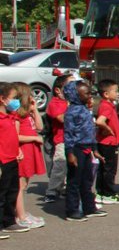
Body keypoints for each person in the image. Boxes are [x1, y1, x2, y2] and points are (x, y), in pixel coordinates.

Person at [63, 80, 106, 223]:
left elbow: (90, 132)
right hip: (77, 149)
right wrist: (70, 153)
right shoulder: (71, 112)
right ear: (76, 95)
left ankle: (89, 207)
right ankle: (72, 210)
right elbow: (68, 134)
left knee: (87, 180)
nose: (89, 95)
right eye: (86, 93)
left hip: (88, 147)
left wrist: (95, 149)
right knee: (75, 180)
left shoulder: (84, 109)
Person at [14, 84, 46, 229]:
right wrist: (33, 139)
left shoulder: (28, 113)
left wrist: (35, 110)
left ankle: (21, 213)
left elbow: (39, 127)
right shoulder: (17, 115)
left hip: (31, 150)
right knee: (20, 185)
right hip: (23, 150)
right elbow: (15, 136)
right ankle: (20, 216)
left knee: (24, 183)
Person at [93, 79, 119, 205]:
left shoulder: (106, 105)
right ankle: (108, 193)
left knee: (103, 168)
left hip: (105, 142)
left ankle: (101, 193)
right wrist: (108, 129)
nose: (117, 93)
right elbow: (100, 121)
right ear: (106, 94)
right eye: (115, 91)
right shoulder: (107, 106)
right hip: (109, 143)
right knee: (110, 169)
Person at [0, 83, 24, 236]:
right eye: (14, 98)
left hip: (12, 159)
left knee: (12, 191)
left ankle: (8, 221)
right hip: (2, 160)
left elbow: (13, 137)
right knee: (1, 193)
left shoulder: (10, 116)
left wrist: (18, 149)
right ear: (2, 99)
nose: (16, 101)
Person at [41, 75, 69, 204]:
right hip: (61, 139)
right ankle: (51, 191)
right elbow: (61, 119)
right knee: (60, 165)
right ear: (58, 90)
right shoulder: (55, 103)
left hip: (74, 139)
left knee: (72, 166)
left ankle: (65, 188)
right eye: (70, 85)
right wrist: (71, 104)